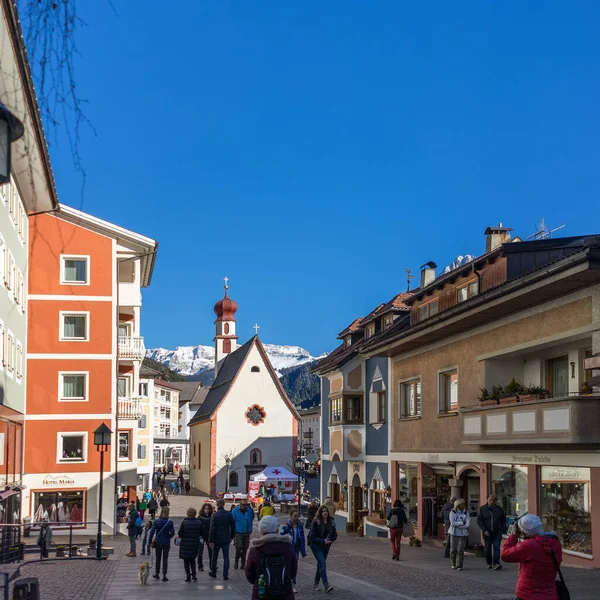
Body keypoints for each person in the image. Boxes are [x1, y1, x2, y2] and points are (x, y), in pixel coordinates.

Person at [501, 513, 563, 600]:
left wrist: (514, 536)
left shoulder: (529, 545)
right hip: (550, 594)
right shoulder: (555, 542)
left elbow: (505, 555)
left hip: (528, 594)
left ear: (525, 531)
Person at [246, 515, 297, 600]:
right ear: (276, 529)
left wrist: (259, 581)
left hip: (262, 593)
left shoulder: (255, 550)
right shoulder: (287, 547)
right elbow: (293, 571)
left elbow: (249, 574)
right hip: (284, 592)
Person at [310, 504, 337, 593]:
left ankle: (316, 583)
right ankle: (326, 584)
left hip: (325, 547)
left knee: (320, 565)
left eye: (326, 511)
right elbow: (312, 537)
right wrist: (322, 541)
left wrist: (330, 540)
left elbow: (334, 535)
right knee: (322, 563)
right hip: (316, 546)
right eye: (323, 511)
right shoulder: (316, 522)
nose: (325, 513)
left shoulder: (331, 522)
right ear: (320, 513)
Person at [477, 494, 507, 570]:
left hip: (497, 532)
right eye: (490, 500)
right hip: (487, 533)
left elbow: (503, 520)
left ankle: (496, 563)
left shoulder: (499, 509)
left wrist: (502, 530)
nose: (491, 502)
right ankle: (489, 563)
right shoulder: (482, 509)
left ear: (495, 501)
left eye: (493, 500)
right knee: (487, 549)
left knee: (497, 548)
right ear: (487, 500)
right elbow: (480, 521)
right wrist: (484, 530)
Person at [208, 498, 235, 580]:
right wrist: (232, 537)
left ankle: (213, 573)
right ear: (224, 504)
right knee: (226, 557)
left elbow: (212, 528)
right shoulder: (229, 514)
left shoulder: (215, 515)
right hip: (226, 538)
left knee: (214, 556)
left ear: (217, 504)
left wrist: (210, 540)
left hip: (217, 538)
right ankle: (225, 574)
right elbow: (233, 527)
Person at [281, 509, 306, 593]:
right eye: (295, 516)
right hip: (288, 549)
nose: (296, 518)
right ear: (291, 516)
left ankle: (292, 585)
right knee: (288, 566)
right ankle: (287, 584)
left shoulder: (299, 525)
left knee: (294, 567)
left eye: (297, 516)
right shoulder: (286, 526)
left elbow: (302, 538)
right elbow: (282, 537)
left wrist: (303, 550)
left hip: (296, 548)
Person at [149, 506, 175, 581]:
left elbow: (152, 532)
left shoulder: (156, 521)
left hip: (158, 542)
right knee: (165, 558)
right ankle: (164, 575)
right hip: (166, 542)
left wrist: (150, 541)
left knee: (158, 558)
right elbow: (172, 533)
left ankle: (157, 573)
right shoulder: (169, 522)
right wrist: (168, 537)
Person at [178, 507, 203, 582]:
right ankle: (194, 575)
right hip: (194, 543)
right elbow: (201, 533)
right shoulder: (199, 522)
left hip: (185, 544)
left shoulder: (184, 522)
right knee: (192, 560)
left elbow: (180, 533)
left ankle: (188, 576)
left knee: (186, 561)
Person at [232, 498, 253, 570]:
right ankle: (236, 561)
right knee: (239, 547)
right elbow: (232, 522)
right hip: (238, 532)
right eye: (243, 505)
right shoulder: (235, 511)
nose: (244, 506)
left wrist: (250, 529)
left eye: (245, 505)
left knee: (245, 548)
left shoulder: (249, 511)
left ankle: (243, 564)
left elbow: (250, 520)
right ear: (240, 504)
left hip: (246, 532)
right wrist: (232, 531)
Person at [449, 499, 470, 571]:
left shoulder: (466, 513)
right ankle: (453, 563)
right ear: (457, 505)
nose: (463, 505)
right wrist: (462, 523)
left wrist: (458, 524)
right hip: (453, 533)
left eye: (463, 504)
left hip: (463, 533)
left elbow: (467, 524)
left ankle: (459, 565)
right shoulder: (452, 512)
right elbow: (452, 523)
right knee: (453, 549)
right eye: (461, 504)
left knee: (460, 550)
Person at [198, 502, 214, 572]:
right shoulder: (200, 518)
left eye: (208, 508)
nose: (207, 510)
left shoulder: (212, 517)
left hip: (209, 536)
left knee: (211, 551)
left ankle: (212, 565)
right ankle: (200, 565)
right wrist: (199, 536)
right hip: (201, 536)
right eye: (205, 508)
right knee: (200, 552)